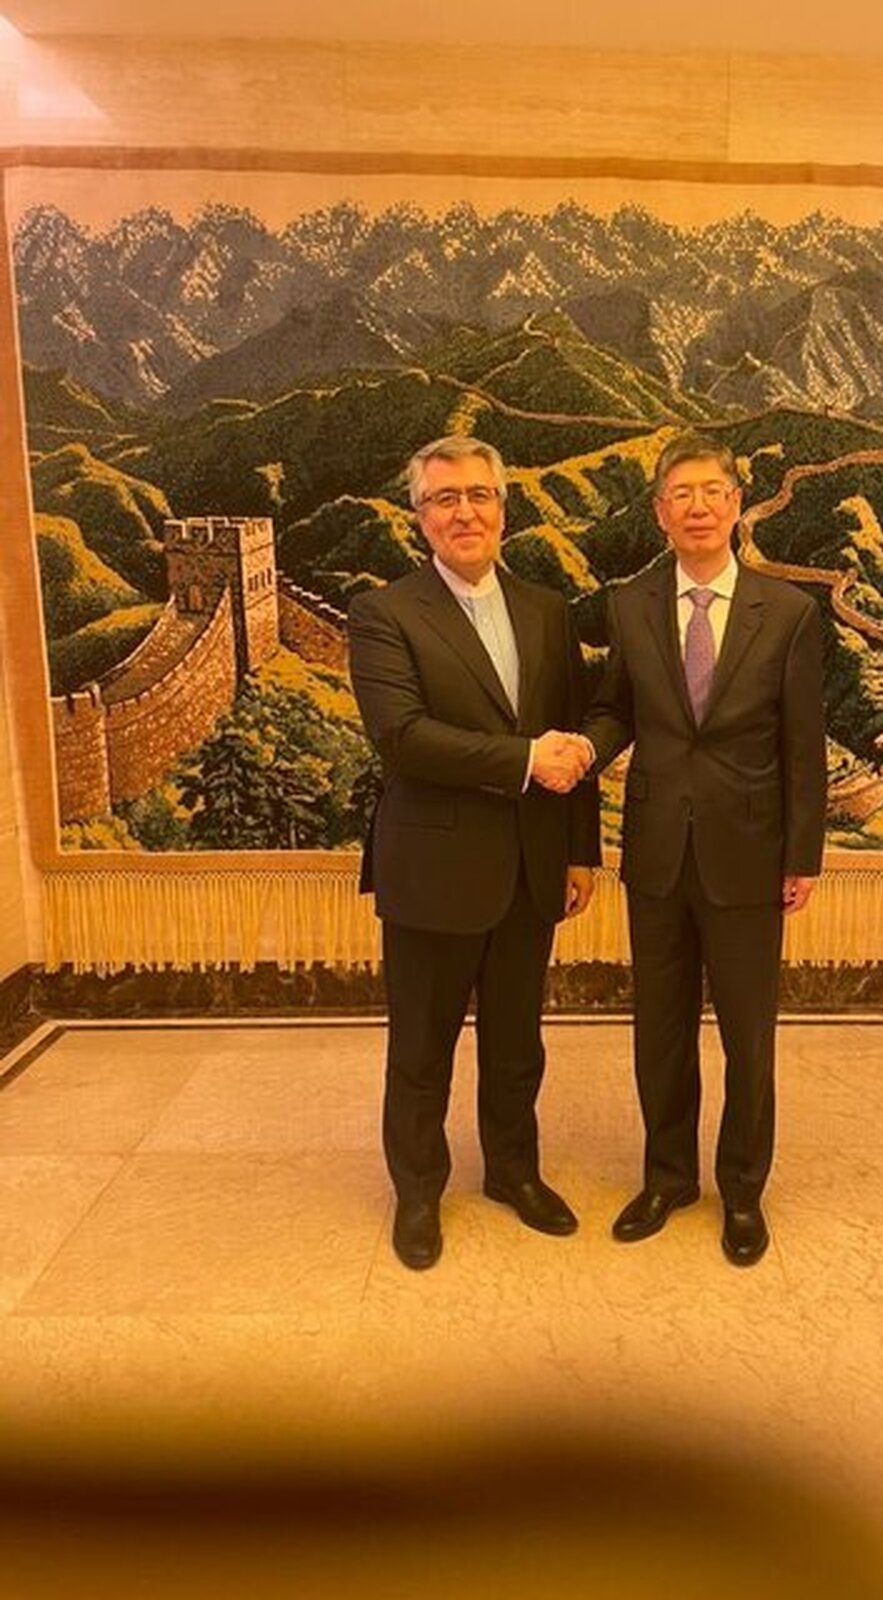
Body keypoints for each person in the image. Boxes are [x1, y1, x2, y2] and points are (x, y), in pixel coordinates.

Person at [348, 435, 599, 1270]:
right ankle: (418, 1193)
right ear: (419, 517)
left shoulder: (547, 609)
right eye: (444, 498)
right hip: (433, 872)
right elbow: (403, 737)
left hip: (531, 867)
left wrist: (579, 852)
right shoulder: (384, 614)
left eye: (479, 495)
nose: (464, 512)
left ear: (503, 508)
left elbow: (571, 736)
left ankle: (513, 1172)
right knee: (422, 1049)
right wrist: (523, 760)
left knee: (518, 1043)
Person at [577, 432, 827, 1266]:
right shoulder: (630, 605)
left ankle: (743, 1190)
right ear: (659, 512)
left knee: (749, 1037)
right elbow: (617, 708)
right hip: (656, 853)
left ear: (736, 504)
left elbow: (803, 748)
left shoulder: (786, 614)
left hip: (750, 854)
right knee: (660, 1029)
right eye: (679, 494)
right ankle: (668, 1177)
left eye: (711, 492)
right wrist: (585, 749)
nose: (696, 508)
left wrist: (802, 856)